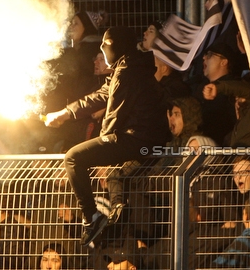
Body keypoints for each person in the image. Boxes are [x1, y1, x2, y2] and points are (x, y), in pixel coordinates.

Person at [42, 26, 169, 246]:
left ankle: (91, 217)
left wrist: (101, 147)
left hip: (139, 140)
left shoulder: (127, 70)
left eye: (106, 44)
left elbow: (112, 116)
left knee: (73, 157)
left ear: (117, 46)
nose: (102, 48)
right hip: (142, 140)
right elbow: (99, 96)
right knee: (112, 170)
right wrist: (66, 113)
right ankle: (114, 212)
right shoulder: (129, 67)